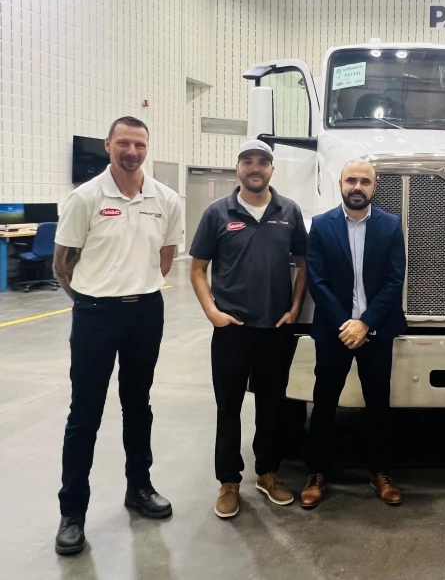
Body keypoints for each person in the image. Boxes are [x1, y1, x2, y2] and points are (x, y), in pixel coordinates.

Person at [51, 117, 183, 556]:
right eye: (123, 143)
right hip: (96, 314)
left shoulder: (165, 199)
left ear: (147, 147)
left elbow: (166, 256)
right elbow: (62, 264)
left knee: (138, 405)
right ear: (108, 144)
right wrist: (92, 300)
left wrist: (137, 286)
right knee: (84, 413)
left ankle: (139, 488)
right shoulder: (85, 197)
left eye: (139, 144)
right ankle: (72, 513)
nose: (131, 151)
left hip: (145, 311)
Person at [189, 140, 308, 518]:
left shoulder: (289, 211)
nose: (255, 168)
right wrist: (212, 312)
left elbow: (303, 263)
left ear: (272, 168)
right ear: (237, 167)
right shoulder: (217, 213)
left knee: (272, 406)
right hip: (232, 330)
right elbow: (197, 269)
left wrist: (295, 307)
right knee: (228, 407)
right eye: (247, 161)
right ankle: (229, 481)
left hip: (275, 329)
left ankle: (268, 473)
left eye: (262, 162)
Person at [300, 159, 406, 507]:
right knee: (324, 403)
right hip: (335, 330)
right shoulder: (321, 225)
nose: (357, 187)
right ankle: (317, 473)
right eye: (351, 181)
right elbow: (317, 280)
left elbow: (395, 279)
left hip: (377, 328)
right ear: (341, 184)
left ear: (374, 187)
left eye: (365, 181)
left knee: (378, 404)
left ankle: (381, 473)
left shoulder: (391, 226)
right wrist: (346, 323)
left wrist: (366, 322)